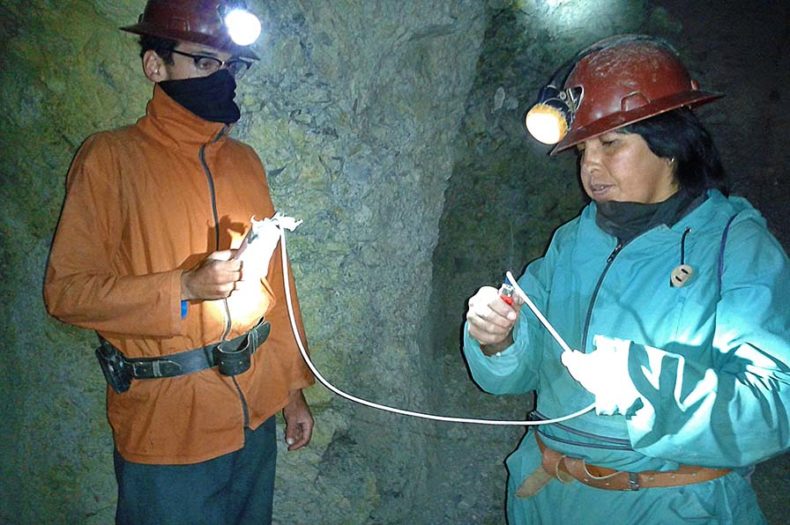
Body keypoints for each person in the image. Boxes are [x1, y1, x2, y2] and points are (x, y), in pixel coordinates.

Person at [464, 35, 789, 524]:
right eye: (582, 151)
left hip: (669, 507)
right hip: (549, 498)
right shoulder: (574, 242)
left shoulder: (734, 247)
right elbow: (518, 374)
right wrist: (498, 340)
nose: (591, 166)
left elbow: (773, 411)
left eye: (611, 144)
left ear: (671, 144)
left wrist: (642, 383)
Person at [44, 1, 314, 523]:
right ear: (155, 65)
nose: (223, 77)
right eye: (205, 63)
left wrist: (291, 392)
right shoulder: (110, 159)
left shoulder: (244, 162)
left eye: (230, 65)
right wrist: (184, 288)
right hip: (168, 429)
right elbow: (66, 291)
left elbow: (278, 286)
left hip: (253, 419)